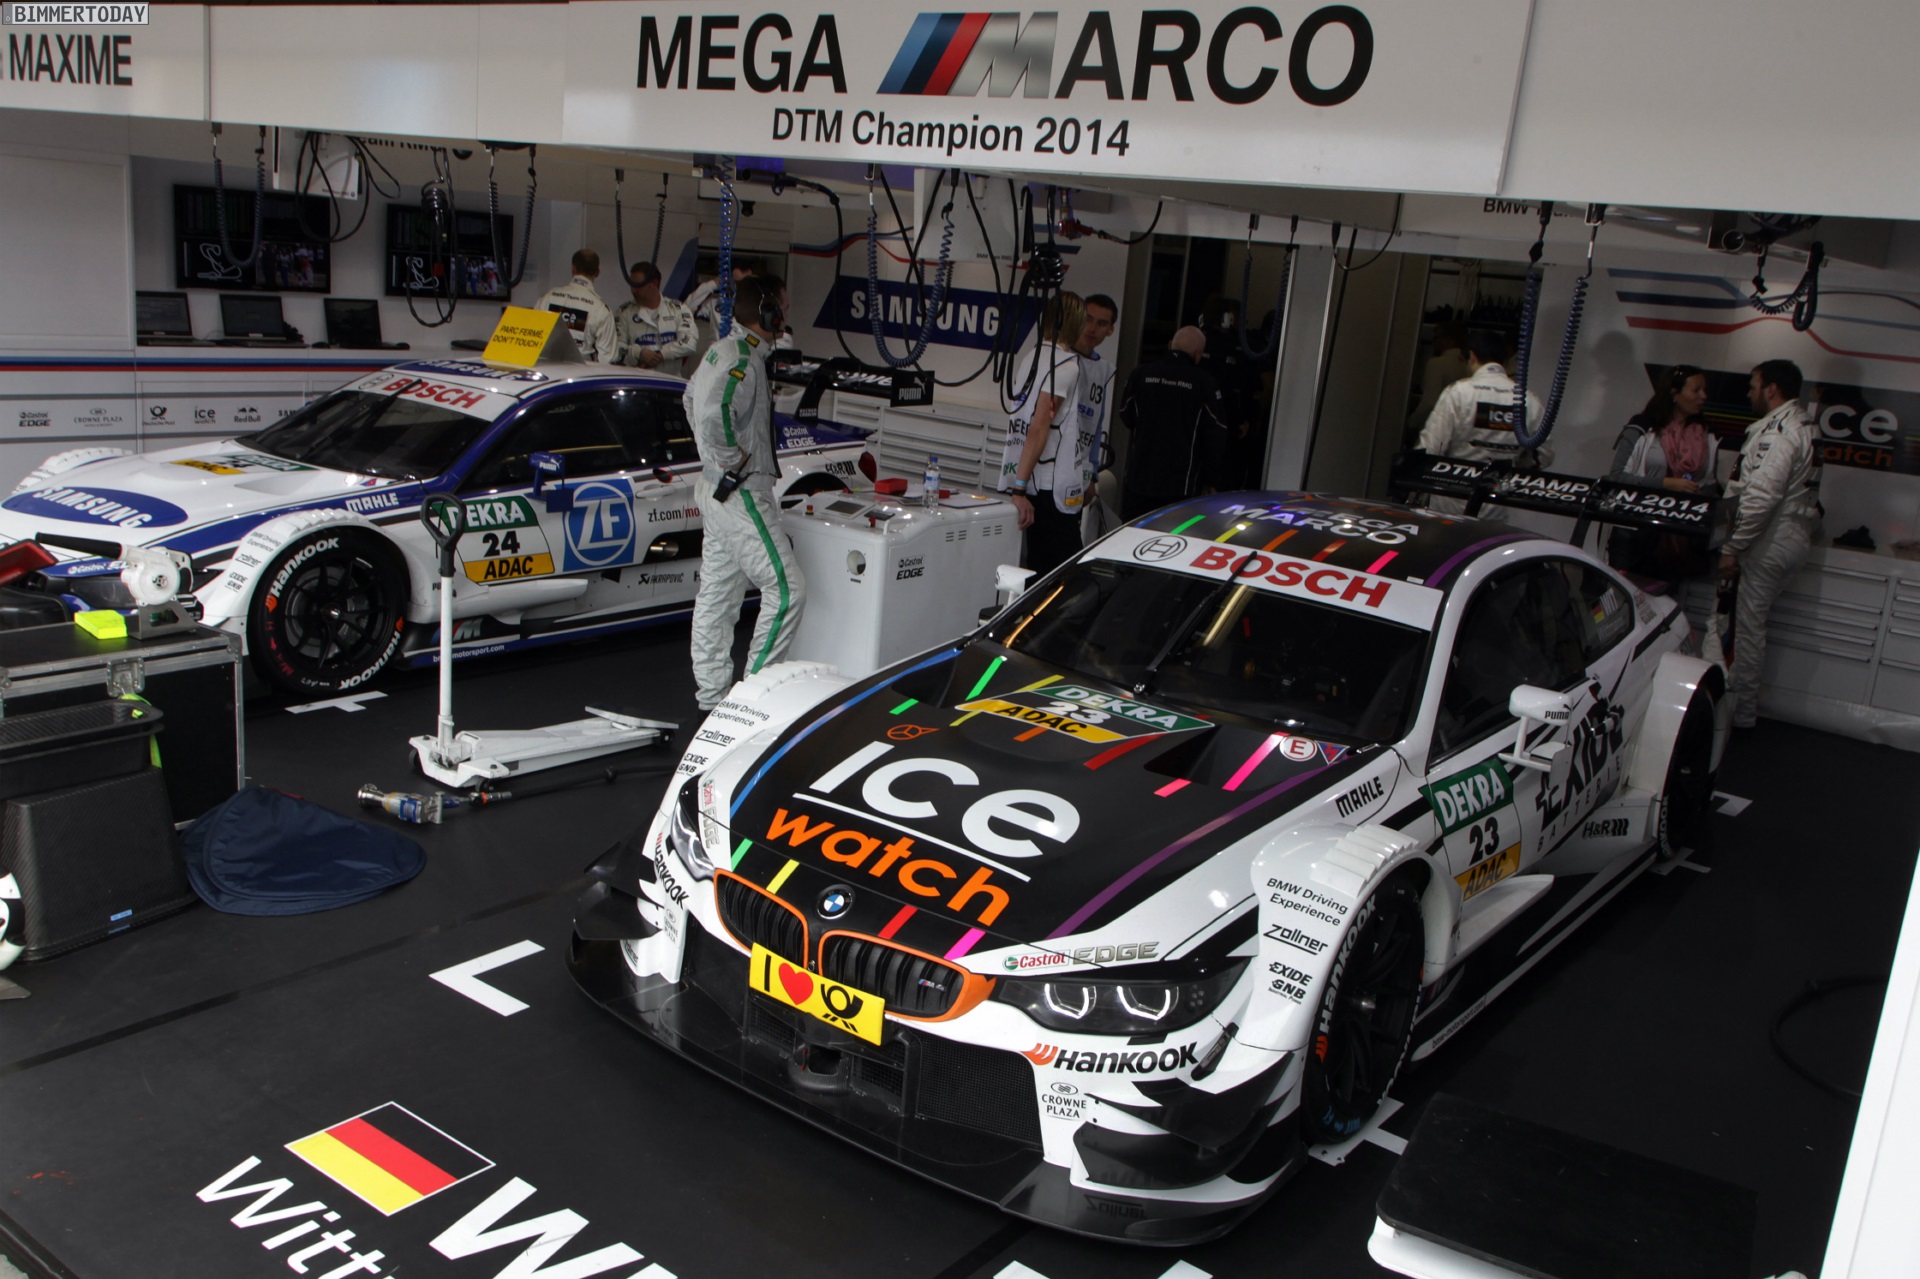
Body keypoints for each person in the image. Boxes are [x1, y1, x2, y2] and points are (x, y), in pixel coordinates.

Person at [684, 274, 806, 711]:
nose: (785, 318)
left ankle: (712, 699)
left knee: (718, 597)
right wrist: (730, 458)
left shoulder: (721, 350)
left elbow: (689, 398)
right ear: (769, 315)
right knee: (788, 591)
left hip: (717, 491)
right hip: (741, 494)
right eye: (783, 310)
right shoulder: (744, 360)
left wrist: (714, 459)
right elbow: (713, 412)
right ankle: (753, 697)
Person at [1721, 359, 1822, 730]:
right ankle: (1733, 710)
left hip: (1768, 541)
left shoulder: (1778, 431)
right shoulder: (1805, 424)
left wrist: (1732, 547)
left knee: (1744, 629)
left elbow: (1761, 496)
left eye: (1753, 386)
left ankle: (1738, 715)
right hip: (1790, 536)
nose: (1749, 394)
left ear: (1771, 389)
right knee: (1744, 626)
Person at [1000, 291, 1089, 578]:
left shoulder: (1031, 357)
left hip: (1033, 482)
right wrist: (1019, 490)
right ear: (1076, 323)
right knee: (1067, 578)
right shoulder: (1066, 365)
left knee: (1037, 569)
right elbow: (1039, 427)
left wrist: (1020, 485)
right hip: (1050, 487)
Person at [1606, 364, 1721, 585]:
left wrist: (1699, 493)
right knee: (1624, 592)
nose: (1703, 396)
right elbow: (1617, 477)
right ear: (1674, 393)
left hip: (1680, 534)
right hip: (1635, 532)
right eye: (1696, 390)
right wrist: (1665, 484)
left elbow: (1710, 484)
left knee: (1667, 597)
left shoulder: (1707, 435)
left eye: (1704, 390)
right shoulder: (1642, 428)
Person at [1416, 330, 1551, 514]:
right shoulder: (1528, 400)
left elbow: (1430, 448)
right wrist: (1514, 466)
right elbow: (1543, 455)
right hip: (1497, 505)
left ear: (1471, 356)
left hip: (1449, 502)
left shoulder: (1459, 393)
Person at [1117, 326, 1233, 520]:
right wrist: (1212, 479)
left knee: (1134, 530)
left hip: (1140, 479)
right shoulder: (1205, 382)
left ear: (1170, 345)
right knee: (1173, 535)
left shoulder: (1141, 373)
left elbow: (1126, 415)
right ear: (1198, 353)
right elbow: (1215, 435)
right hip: (1181, 485)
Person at [1074, 294, 1119, 541]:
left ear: (1110, 330)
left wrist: (1091, 475)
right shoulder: (1059, 356)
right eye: (1088, 319)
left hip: (1077, 469)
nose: (1092, 328)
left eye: (1101, 323)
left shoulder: (1102, 370)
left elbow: (1094, 425)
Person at [534, 249, 619, 363]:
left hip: (546, 369)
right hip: (581, 371)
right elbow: (607, 360)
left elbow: (532, 339)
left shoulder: (547, 299)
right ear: (597, 272)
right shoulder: (601, 310)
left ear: (573, 269)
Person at [615, 260, 698, 375]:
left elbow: (690, 343)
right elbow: (616, 348)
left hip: (670, 380)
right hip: (636, 380)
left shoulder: (678, 309)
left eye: (637, 285)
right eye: (632, 285)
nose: (633, 290)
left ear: (654, 283)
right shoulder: (624, 312)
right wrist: (639, 353)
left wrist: (661, 355)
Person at [1408, 323, 1470, 432]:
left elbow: (1429, 402)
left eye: (1437, 337)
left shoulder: (1437, 363)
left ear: (1449, 341)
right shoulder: (1469, 365)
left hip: (1436, 429)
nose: (1433, 341)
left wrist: (1410, 423)